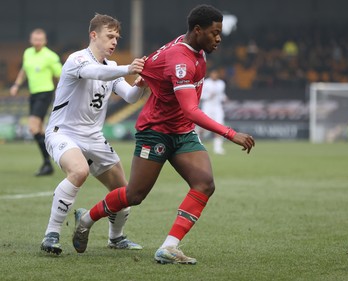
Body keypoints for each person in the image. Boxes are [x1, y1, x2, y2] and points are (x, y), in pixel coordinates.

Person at [72, 4, 255, 265]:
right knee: (134, 195)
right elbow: (191, 110)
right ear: (198, 30)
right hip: (155, 132)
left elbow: (152, 61)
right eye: (214, 32)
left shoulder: (192, 48)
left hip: (182, 132)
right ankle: (87, 218)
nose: (219, 38)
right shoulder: (181, 59)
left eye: (220, 32)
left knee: (205, 183)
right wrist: (230, 133)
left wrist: (149, 76)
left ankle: (169, 247)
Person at [40, 13, 147, 255]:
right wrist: (128, 68)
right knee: (79, 171)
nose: (114, 42)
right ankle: (51, 234)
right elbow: (96, 73)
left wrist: (142, 82)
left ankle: (116, 238)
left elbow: (130, 97)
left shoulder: (110, 67)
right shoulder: (76, 59)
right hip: (63, 132)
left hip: (94, 137)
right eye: (110, 36)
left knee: (125, 193)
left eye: (117, 38)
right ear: (93, 35)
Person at [10, 28, 62, 176]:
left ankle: (48, 162)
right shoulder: (28, 53)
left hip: (45, 93)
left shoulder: (50, 56)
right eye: (35, 39)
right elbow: (24, 70)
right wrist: (16, 85)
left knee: (33, 127)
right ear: (31, 40)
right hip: (33, 94)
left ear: (45, 41)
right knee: (38, 130)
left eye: (40, 39)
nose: (37, 42)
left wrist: (61, 92)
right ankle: (51, 158)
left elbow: (61, 75)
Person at [200, 69, 228, 154]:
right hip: (208, 106)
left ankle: (217, 148)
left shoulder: (221, 83)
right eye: (213, 74)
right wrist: (208, 95)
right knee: (203, 127)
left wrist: (225, 98)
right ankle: (198, 144)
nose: (214, 75)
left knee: (220, 126)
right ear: (211, 74)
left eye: (216, 74)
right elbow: (200, 95)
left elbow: (221, 94)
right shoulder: (206, 83)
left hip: (217, 107)